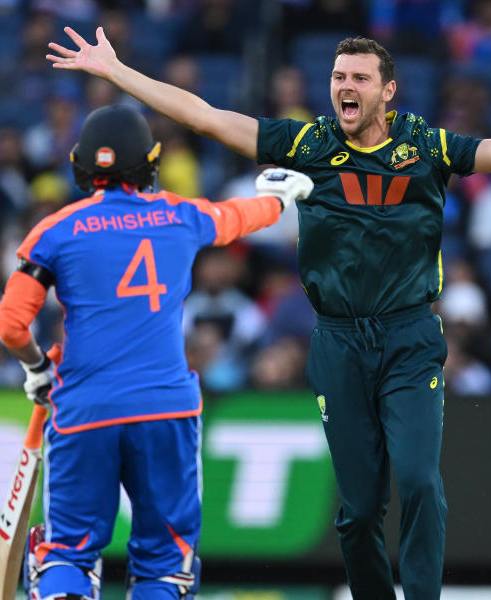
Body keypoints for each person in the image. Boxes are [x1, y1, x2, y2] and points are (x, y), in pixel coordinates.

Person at [45, 27, 491, 599]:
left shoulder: (425, 145)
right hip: (338, 343)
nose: (344, 87)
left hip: (410, 339)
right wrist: (118, 71)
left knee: (419, 481)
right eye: (339, 77)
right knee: (359, 510)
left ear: (388, 91)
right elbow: (206, 117)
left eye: (360, 79)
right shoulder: (310, 145)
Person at [0, 104, 312, 599]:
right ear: (149, 162)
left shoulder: (55, 230)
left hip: (84, 411)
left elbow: (11, 323)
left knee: (68, 554)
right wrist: (277, 200)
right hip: (166, 411)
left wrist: (37, 368)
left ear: (83, 165)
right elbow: (238, 218)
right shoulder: (181, 216)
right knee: (166, 563)